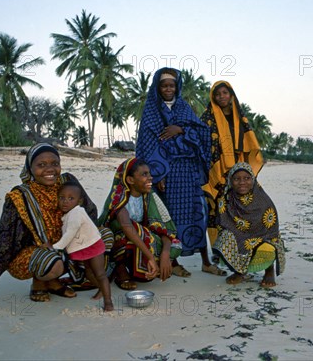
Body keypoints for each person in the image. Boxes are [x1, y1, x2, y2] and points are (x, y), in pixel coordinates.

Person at [0, 143, 113, 308]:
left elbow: (89, 210)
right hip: (35, 252)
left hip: (66, 242)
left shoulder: (67, 181)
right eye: (41, 165)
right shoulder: (20, 197)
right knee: (52, 261)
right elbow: (3, 244)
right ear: (30, 168)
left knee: (104, 235)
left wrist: (79, 239)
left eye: (55, 164)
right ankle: (39, 284)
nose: (50, 169)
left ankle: (58, 283)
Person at [135, 67, 215, 277]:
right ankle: (176, 261)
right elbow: (146, 145)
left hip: (188, 171)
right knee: (170, 217)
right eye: (164, 85)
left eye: (172, 85)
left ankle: (206, 260)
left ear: (177, 86)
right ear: (158, 87)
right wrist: (156, 175)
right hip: (166, 174)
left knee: (198, 214)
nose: (168, 89)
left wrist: (181, 130)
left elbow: (203, 132)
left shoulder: (183, 107)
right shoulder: (151, 110)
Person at [200, 81, 264, 261]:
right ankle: (218, 251)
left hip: (239, 172)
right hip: (216, 172)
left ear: (231, 95)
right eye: (217, 94)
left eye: (225, 93)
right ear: (213, 98)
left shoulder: (240, 118)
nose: (221, 96)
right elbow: (200, 141)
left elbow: (249, 142)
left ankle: (241, 246)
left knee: (239, 208)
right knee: (216, 211)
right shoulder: (207, 117)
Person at [97, 158, 182, 290]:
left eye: (149, 174)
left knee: (175, 244)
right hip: (120, 241)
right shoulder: (119, 197)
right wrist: (151, 257)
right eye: (144, 174)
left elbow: (165, 228)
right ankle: (120, 270)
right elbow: (127, 226)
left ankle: (149, 267)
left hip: (140, 240)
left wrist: (165, 255)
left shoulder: (150, 196)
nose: (150, 178)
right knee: (132, 231)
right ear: (130, 180)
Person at [212, 162, 285, 287]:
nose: (242, 182)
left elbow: (272, 231)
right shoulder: (226, 200)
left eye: (247, 178)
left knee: (268, 247)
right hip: (239, 237)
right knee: (225, 239)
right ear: (230, 181)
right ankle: (239, 271)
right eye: (237, 179)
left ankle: (269, 270)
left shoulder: (263, 200)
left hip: (262, 238)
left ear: (253, 179)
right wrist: (238, 236)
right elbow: (222, 224)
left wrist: (254, 241)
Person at [52, 181, 113, 311]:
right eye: (62, 198)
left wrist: (57, 246)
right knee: (89, 273)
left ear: (79, 201)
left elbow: (70, 233)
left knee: (100, 274)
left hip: (93, 245)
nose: (65, 201)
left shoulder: (77, 213)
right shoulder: (68, 214)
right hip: (84, 246)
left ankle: (108, 302)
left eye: (70, 198)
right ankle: (102, 290)